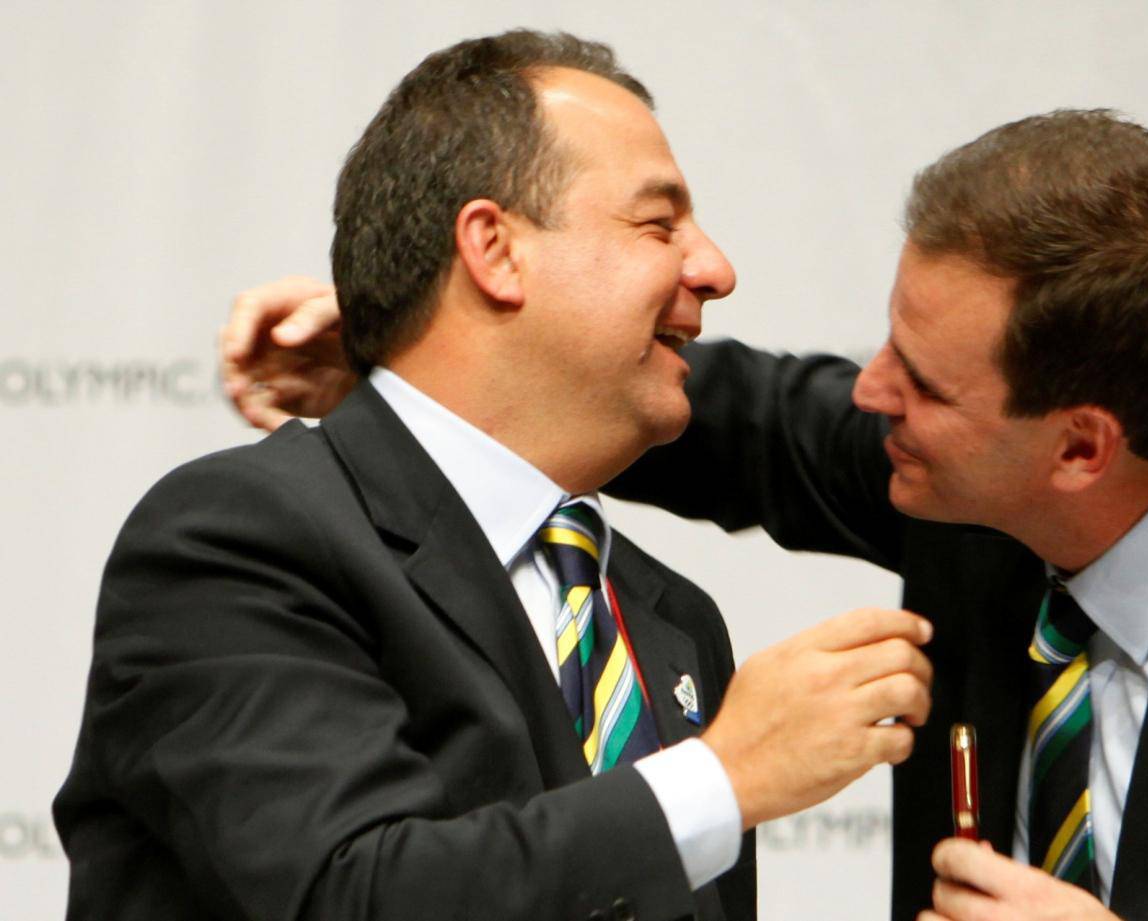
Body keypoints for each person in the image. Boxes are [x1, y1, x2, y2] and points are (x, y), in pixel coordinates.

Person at [220, 110, 1148, 921]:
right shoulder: (968, 471)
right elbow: (748, 422)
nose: (870, 397)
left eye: (921, 384)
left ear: (1078, 448)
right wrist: (424, 348)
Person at [56, 31, 937, 921]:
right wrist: (724, 776)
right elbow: (348, 895)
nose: (714, 269)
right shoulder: (240, 538)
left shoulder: (671, 619)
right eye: (658, 223)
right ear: (494, 248)